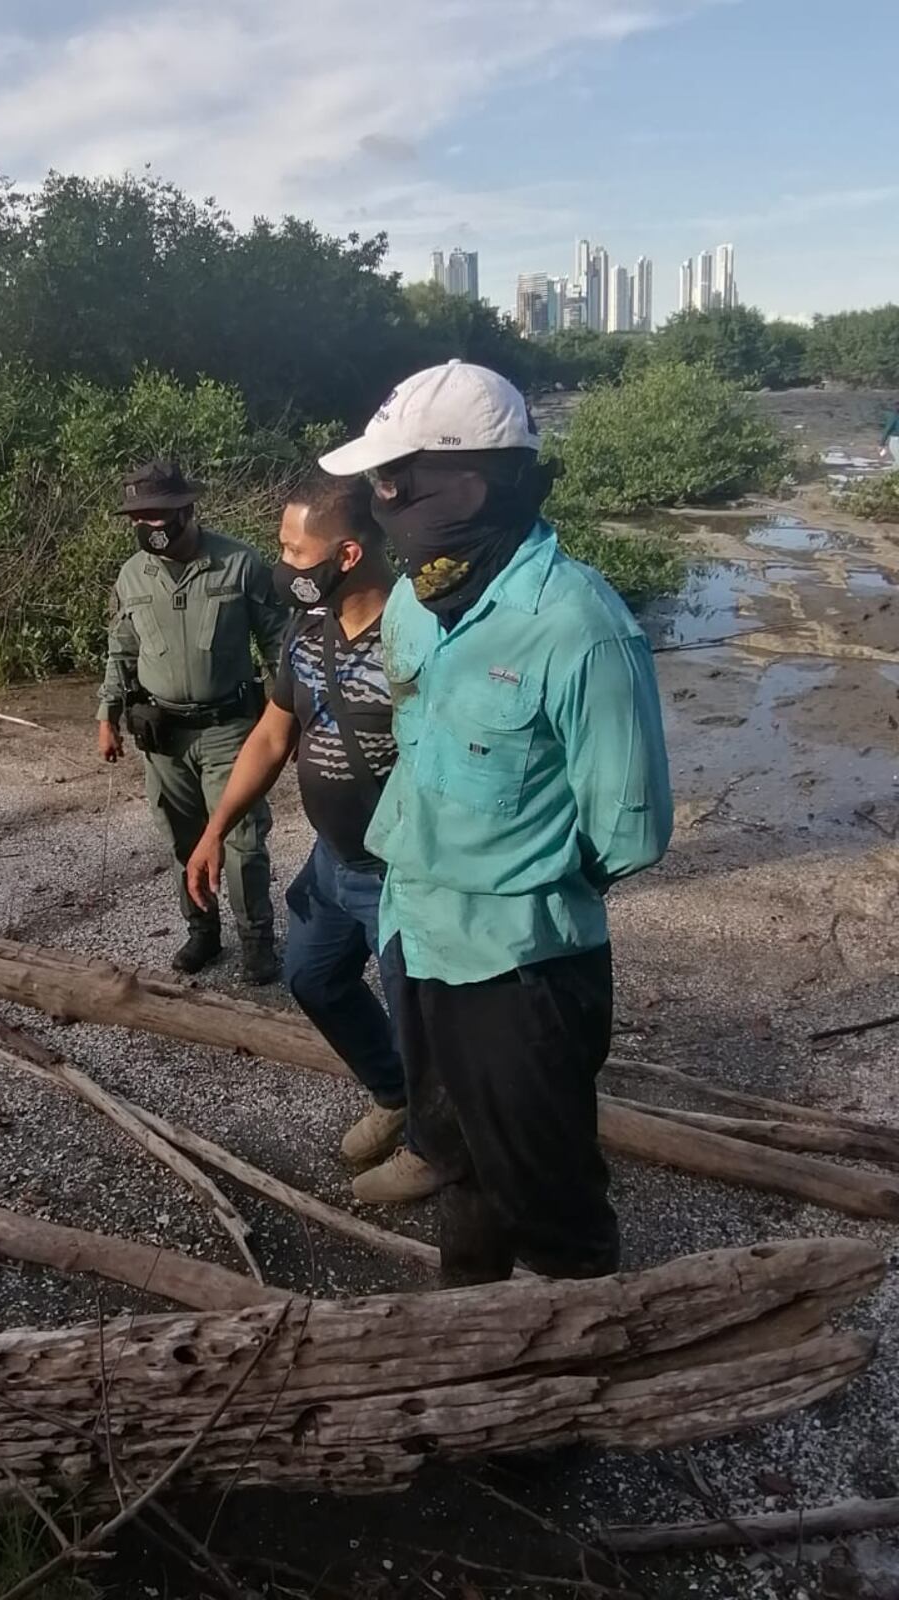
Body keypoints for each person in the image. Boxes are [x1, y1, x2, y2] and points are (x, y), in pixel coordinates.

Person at [319, 359, 673, 1285]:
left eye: (398, 480)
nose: (383, 499)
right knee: (457, 1168)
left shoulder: (579, 626)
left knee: (551, 1206)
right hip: (414, 934)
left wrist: (518, 876)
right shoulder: (413, 602)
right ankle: (474, 1339)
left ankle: (562, 1402)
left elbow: (629, 835)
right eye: (377, 484)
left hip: (519, 970)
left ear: (475, 480)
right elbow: (413, 733)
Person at [186, 473, 441, 1202]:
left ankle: (433, 1146)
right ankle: (393, 1094)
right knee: (312, 977)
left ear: (350, 553)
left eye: (295, 550)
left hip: (406, 873)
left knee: (422, 1018)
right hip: (333, 864)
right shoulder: (307, 629)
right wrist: (215, 830)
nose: (283, 565)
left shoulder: (418, 635)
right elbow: (273, 733)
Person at [97, 460, 289, 984]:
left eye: (160, 514)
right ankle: (203, 931)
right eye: (139, 516)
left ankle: (256, 941)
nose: (149, 525)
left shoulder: (240, 563)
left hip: (229, 726)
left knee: (242, 839)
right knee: (183, 839)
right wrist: (107, 714)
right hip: (164, 733)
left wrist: (290, 712)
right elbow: (121, 648)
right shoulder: (133, 574)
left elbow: (278, 641)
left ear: (188, 510)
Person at [881, 402, 899, 469]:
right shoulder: (894, 417)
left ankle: (891, 477)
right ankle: (891, 477)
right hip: (895, 441)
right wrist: (882, 443)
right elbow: (887, 430)